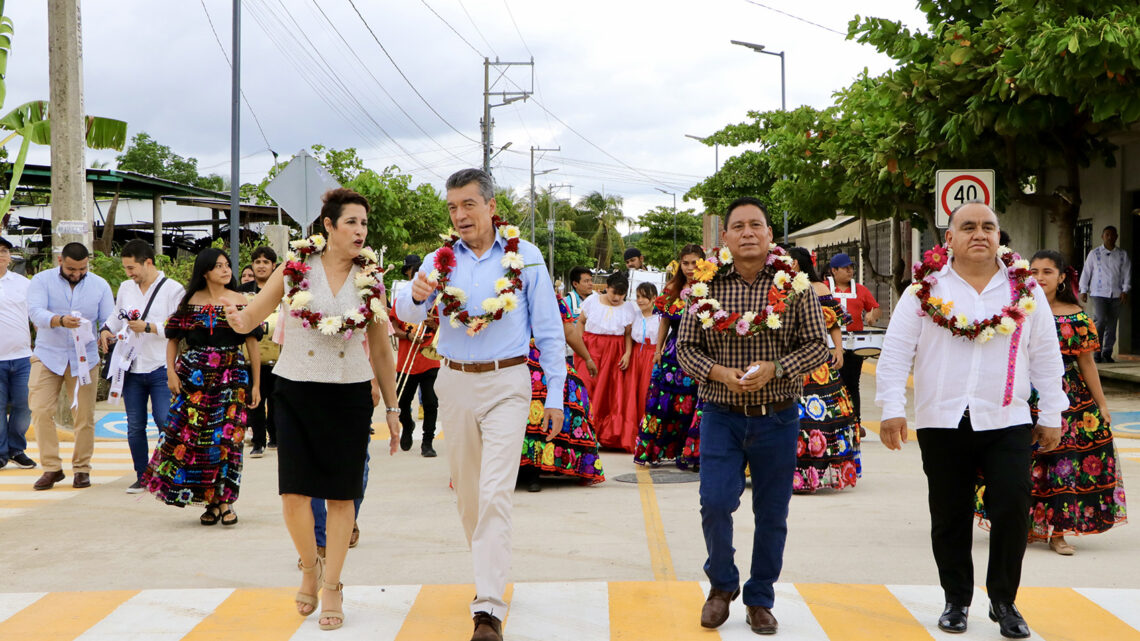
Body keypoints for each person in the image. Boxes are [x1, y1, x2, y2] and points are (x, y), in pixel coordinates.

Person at [875, 203, 1066, 638]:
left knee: (1013, 508)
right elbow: (896, 353)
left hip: (1007, 417)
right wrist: (891, 409)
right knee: (950, 513)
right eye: (968, 227)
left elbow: (1045, 356)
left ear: (1000, 235)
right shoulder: (923, 289)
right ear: (950, 239)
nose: (979, 234)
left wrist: (1052, 413)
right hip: (942, 418)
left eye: (988, 226)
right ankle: (956, 600)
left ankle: (1004, 600)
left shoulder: (1026, 290)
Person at [395, 168, 566, 641]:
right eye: (452, 207)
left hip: (507, 381)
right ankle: (491, 569)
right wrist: (415, 292)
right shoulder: (439, 259)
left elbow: (549, 331)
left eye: (468, 204)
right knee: (469, 497)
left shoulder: (525, 258)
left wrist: (554, 394)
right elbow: (409, 314)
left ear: (491, 206)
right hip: (453, 383)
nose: (460, 215)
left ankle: (487, 607)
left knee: (494, 494)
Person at [226, 187, 401, 631]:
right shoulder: (295, 268)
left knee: (343, 496)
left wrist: (394, 408)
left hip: (349, 392)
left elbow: (380, 349)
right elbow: (255, 315)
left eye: (364, 223)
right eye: (351, 223)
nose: (360, 231)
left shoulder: (372, 279)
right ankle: (309, 565)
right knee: (294, 494)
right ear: (328, 226)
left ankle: (333, 585)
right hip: (297, 389)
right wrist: (238, 319)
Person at [676, 198, 829, 635]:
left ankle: (760, 597)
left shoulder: (794, 285)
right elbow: (685, 349)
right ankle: (722, 586)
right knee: (715, 503)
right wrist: (719, 373)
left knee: (772, 513)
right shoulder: (705, 286)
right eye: (737, 226)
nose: (747, 232)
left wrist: (777, 369)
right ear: (724, 237)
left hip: (777, 417)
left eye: (755, 225)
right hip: (721, 415)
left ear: (769, 235)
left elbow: (818, 345)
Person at [977, 250, 1126, 555]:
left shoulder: (1076, 315)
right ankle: (1024, 527)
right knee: (1021, 465)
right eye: (1033, 271)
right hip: (1021, 395)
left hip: (1070, 400)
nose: (1040, 277)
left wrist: (1102, 405)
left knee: (1062, 465)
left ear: (1061, 278)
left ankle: (1058, 532)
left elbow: (1087, 364)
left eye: (1047, 272)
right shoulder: (1014, 310)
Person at [141, 247, 260, 526]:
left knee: (229, 441)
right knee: (197, 440)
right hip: (194, 380)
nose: (225, 270)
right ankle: (211, 501)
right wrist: (170, 372)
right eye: (218, 266)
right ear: (205, 271)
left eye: (227, 265)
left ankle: (227, 501)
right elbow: (172, 339)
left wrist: (256, 384)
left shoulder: (240, 301)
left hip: (232, 379)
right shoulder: (189, 302)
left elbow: (252, 344)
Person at [98, 240, 185, 493]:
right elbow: (117, 316)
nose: (129, 273)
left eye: (132, 267)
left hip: (160, 366)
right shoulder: (126, 287)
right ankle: (142, 474)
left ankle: (169, 472)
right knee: (135, 424)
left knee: (164, 420)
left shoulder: (173, 289)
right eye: (125, 268)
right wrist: (106, 330)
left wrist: (148, 327)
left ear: (148, 262)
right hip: (130, 367)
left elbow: (176, 327)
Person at [27, 242, 115, 491]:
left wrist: (106, 332)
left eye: (82, 269)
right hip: (47, 356)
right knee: (41, 410)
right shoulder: (42, 281)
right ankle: (52, 468)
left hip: (84, 359)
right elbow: (35, 312)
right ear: (59, 261)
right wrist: (59, 320)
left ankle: (82, 469)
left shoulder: (99, 285)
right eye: (71, 269)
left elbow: (108, 318)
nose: (76, 273)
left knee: (84, 416)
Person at [788, 247, 861, 494]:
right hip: (788, 359)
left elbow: (834, 322)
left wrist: (838, 349)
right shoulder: (779, 287)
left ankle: (814, 473)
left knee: (818, 415)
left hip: (817, 360)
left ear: (798, 265)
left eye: (790, 262)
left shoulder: (819, 288)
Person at [517, 294, 604, 492]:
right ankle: (537, 467)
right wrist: (587, 358)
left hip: (526, 357)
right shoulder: (548, 297)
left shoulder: (550, 299)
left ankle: (530, 469)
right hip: (519, 358)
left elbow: (568, 330)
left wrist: (587, 357)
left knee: (563, 390)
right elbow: (568, 330)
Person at [634, 244, 704, 469]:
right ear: (680, 264)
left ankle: (692, 454)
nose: (690, 268)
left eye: (695, 263)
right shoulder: (672, 287)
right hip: (674, 353)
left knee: (695, 403)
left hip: (702, 353)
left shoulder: (712, 286)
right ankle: (659, 451)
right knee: (664, 404)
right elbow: (664, 320)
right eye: (686, 263)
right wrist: (658, 350)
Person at [575, 273, 638, 452]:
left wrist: (627, 353)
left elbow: (627, 334)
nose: (617, 297)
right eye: (614, 292)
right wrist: (580, 347)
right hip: (591, 349)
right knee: (587, 389)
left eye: (621, 294)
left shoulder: (628, 308)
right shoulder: (592, 301)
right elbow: (580, 323)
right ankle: (583, 432)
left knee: (610, 394)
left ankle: (606, 435)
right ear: (607, 287)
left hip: (615, 352)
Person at [827, 252, 880, 424]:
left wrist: (872, 316)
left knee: (852, 383)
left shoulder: (861, 290)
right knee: (829, 383)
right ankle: (831, 420)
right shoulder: (824, 287)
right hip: (829, 345)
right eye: (845, 268)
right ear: (834, 271)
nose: (850, 271)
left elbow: (875, 308)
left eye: (851, 268)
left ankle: (855, 421)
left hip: (853, 344)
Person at [239, 245, 280, 456]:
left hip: (279, 357)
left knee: (276, 400)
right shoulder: (240, 292)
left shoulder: (283, 291)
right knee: (254, 399)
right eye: (257, 262)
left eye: (266, 262)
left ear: (274, 266)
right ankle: (258, 442)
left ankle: (275, 437)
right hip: (249, 358)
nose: (261, 266)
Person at [0, 237, 35, 471]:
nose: (1, 255)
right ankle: (1, 453)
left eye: (4, 251)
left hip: (23, 357)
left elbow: (37, 316)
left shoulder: (23, 284)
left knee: (25, 404)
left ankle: (16, 449)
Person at [391, 304, 440, 457]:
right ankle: (407, 425)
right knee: (401, 402)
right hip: (406, 362)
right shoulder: (402, 301)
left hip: (430, 361)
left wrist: (435, 325)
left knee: (430, 403)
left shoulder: (435, 303)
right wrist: (408, 336)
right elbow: (393, 329)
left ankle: (427, 442)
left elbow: (447, 329)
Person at [1079, 225, 1130, 363]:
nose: (1110, 237)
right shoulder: (1094, 254)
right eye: (1107, 234)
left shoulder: (1122, 254)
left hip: (1116, 294)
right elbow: (1086, 272)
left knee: (1112, 324)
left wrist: (1125, 290)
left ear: (1116, 237)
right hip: (1098, 292)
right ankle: (1096, 351)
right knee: (1100, 321)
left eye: (1113, 235)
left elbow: (1126, 272)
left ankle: (1107, 352)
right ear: (1102, 236)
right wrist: (1083, 290)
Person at [627, 282, 660, 439]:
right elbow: (628, 335)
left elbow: (665, 339)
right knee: (633, 390)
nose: (640, 300)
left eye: (644, 297)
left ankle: (646, 428)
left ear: (654, 298)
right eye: (638, 297)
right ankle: (631, 429)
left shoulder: (660, 318)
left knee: (647, 391)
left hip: (651, 355)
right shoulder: (635, 316)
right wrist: (628, 354)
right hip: (636, 355)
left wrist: (658, 354)